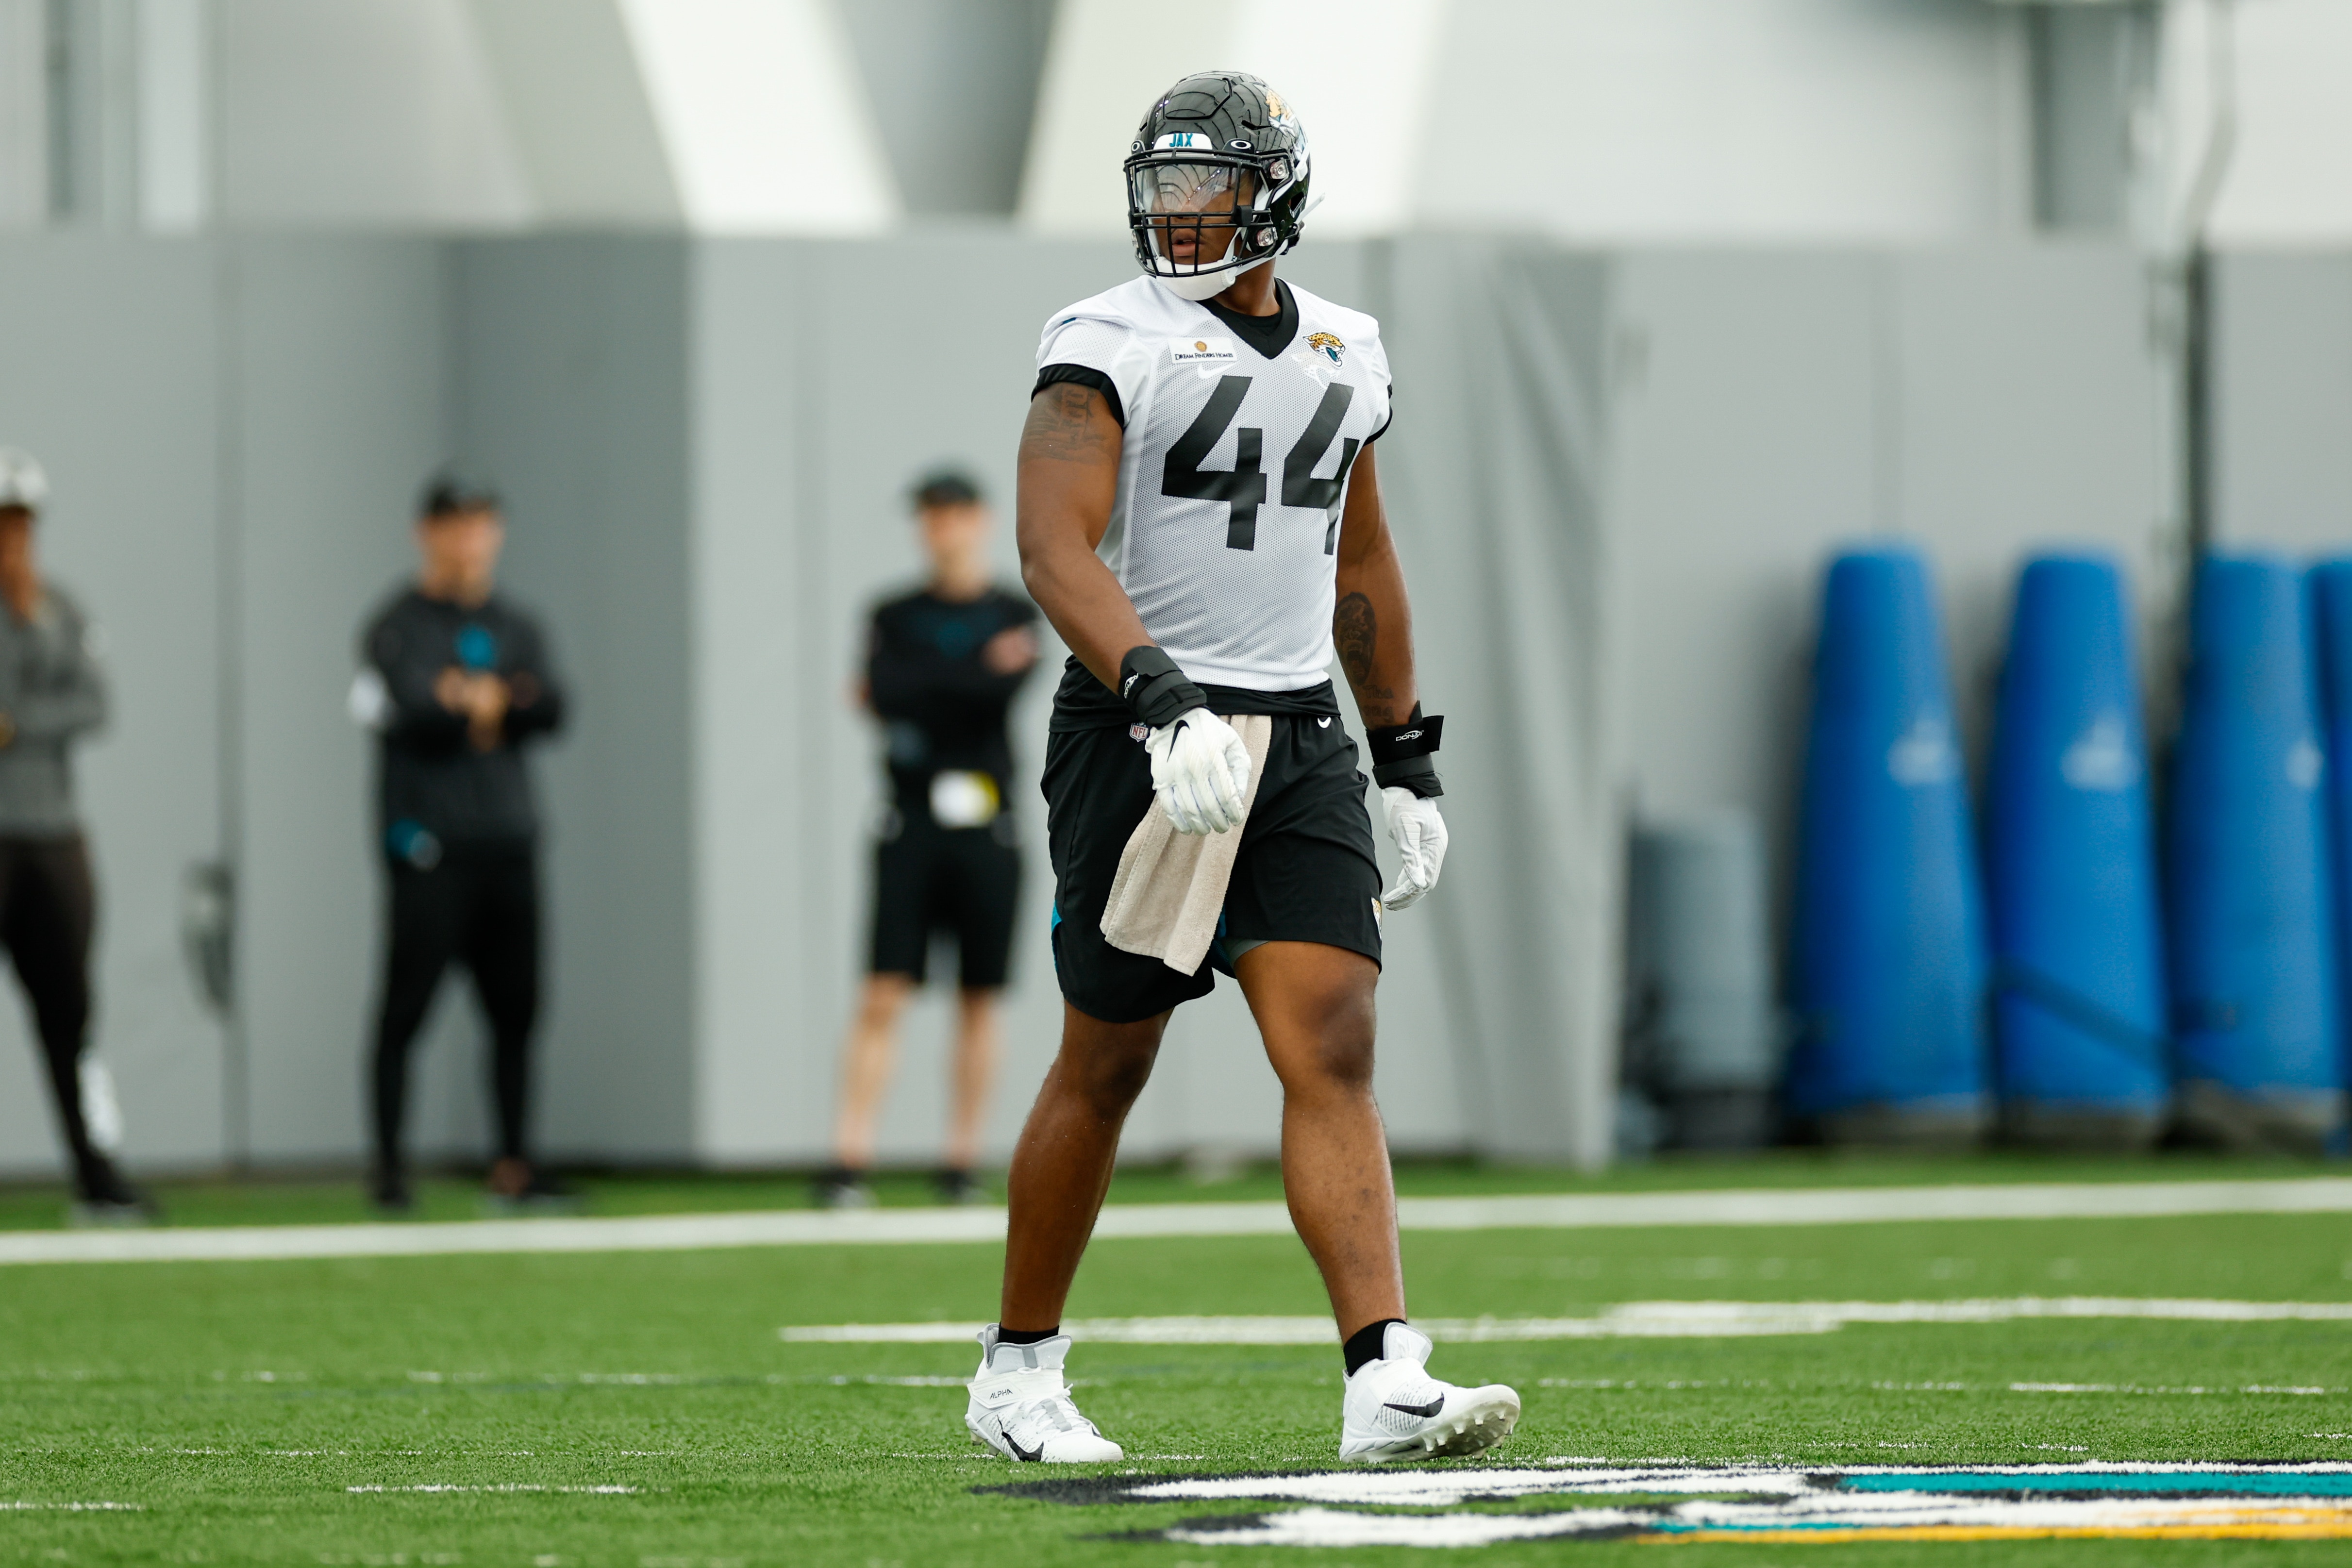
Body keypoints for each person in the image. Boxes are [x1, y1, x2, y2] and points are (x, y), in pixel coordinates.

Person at [963, 72, 1516, 1465]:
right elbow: (1050, 544)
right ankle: (1016, 1365)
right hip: (1138, 724)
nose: (1180, 216)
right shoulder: (1104, 338)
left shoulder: (1347, 347)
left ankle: (1382, 1369)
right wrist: (1154, 695)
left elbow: (1361, 556)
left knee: (1329, 1036)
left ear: (1275, 196)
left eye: (1205, 189)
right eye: (1161, 190)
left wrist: (1402, 752)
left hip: (1294, 732)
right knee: (1108, 1055)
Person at [817, 470, 1040, 1209]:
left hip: (987, 823)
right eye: (928, 516)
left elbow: (989, 693)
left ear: (977, 520)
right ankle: (849, 1157)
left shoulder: (1013, 607)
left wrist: (933, 684)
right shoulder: (894, 611)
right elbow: (884, 696)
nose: (940, 529)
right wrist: (969, 673)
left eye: (952, 514)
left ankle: (959, 1159)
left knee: (980, 995)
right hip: (907, 821)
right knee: (884, 989)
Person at [351, 473, 567, 1213]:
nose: (469, 539)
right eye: (455, 524)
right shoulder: (397, 623)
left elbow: (552, 706)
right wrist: (488, 702)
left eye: (481, 523)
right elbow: (416, 709)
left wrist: (481, 698)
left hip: (508, 840)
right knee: (406, 1007)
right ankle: (389, 1170)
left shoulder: (519, 624)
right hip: (430, 846)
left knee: (516, 1012)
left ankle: (514, 1163)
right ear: (427, 532)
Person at [0, 449, 148, 1223]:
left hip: (53, 838)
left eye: (20, 523)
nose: (11, 539)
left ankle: (99, 1171)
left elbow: (94, 704)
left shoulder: (60, 608)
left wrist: (18, 725)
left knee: (71, 1013)